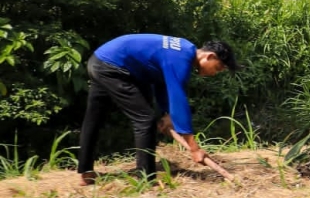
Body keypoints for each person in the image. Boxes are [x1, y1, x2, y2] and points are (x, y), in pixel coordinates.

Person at [76, 34, 238, 185]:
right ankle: (146, 179)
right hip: (113, 67)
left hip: (100, 60)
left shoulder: (183, 49)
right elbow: (178, 99)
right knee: (145, 119)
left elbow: (160, 82)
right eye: (217, 68)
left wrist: (167, 114)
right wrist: (194, 148)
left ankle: (86, 173)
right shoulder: (182, 58)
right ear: (210, 56)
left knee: (94, 118)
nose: (214, 73)